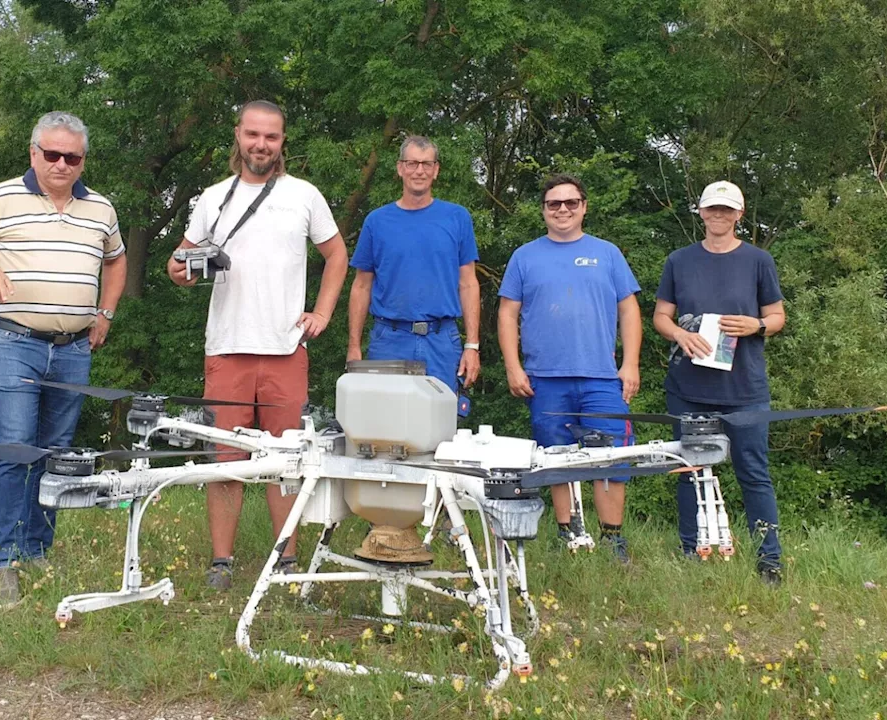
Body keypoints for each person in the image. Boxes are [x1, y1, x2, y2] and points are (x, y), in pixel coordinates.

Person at [0, 112, 127, 607]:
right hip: (13, 342)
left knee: (56, 452)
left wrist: (105, 311)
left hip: (74, 349)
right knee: (15, 448)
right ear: (33, 153)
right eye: (52, 154)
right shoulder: (3, 197)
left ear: (83, 160)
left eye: (73, 157)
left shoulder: (101, 209)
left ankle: (37, 551)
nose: (62, 164)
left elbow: (117, 259)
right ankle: (2, 563)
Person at [167, 100, 348, 590]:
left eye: (271, 137)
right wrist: (182, 271)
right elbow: (177, 262)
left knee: (285, 463)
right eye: (253, 135)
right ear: (238, 136)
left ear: (282, 141)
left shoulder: (304, 195)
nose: (261, 145)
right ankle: (221, 563)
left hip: (286, 348)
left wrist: (323, 313)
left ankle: (286, 561)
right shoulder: (213, 197)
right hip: (226, 347)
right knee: (226, 460)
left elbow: (336, 255)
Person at [498, 174, 642, 563]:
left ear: (584, 207)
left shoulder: (608, 253)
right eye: (554, 204)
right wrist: (513, 367)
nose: (563, 209)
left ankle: (613, 540)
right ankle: (570, 534)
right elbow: (507, 313)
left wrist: (630, 364)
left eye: (571, 203)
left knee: (610, 457)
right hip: (545, 377)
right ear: (543, 210)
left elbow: (629, 309)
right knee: (556, 456)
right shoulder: (525, 256)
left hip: (602, 376)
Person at [653, 180, 787, 585]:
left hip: (744, 387)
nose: (719, 216)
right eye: (712, 209)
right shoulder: (679, 260)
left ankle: (770, 559)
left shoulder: (759, 260)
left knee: (753, 472)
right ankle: (691, 549)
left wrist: (757, 325)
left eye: (727, 210)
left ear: (739, 215)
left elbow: (778, 317)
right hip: (688, 386)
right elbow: (660, 316)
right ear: (701, 213)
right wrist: (680, 334)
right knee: (688, 470)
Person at [345, 136, 480, 393]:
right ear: (400, 168)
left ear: (436, 170)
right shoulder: (377, 221)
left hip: (441, 340)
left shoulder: (457, 217)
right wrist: (354, 345)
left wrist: (472, 346)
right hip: (390, 339)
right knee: (384, 425)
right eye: (412, 163)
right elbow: (361, 286)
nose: (419, 171)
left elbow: (469, 283)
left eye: (426, 164)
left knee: (441, 426)